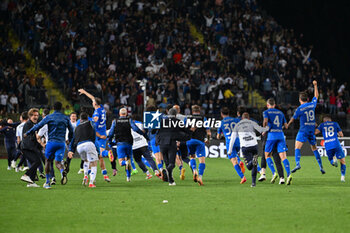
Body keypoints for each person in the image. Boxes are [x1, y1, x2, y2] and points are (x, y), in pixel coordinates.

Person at [24, 102, 74, 189]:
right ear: (61, 108)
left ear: (53, 108)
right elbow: (71, 131)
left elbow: (38, 126)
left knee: (48, 161)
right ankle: (62, 172)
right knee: (58, 162)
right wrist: (69, 141)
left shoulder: (49, 117)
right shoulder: (66, 118)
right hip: (61, 143)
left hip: (51, 142)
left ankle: (47, 182)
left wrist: (28, 132)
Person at [286, 80, 325, 174]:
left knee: (297, 147)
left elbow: (293, 118)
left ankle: (298, 163)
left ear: (300, 100)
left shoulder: (299, 109)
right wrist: (315, 85)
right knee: (314, 148)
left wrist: (288, 124)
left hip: (303, 130)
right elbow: (316, 96)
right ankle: (321, 166)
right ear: (307, 99)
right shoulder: (312, 104)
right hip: (311, 130)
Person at [228, 112, 269, 187]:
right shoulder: (252, 123)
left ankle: (253, 182)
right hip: (254, 146)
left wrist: (230, 150)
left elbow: (232, 139)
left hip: (245, 147)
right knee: (255, 165)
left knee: (249, 167)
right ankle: (253, 183)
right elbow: (261, 130)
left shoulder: (238, 125)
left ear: (242, 118)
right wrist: (266, 128)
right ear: (249, 118)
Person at [78, 89, 110, 182]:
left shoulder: (96, 112)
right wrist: (84, 92)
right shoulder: (102, 108)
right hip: (103, 133)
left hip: (97, 134)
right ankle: (105, 175)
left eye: (93, 102)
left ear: (95, 104)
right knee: (99, 156)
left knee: (93, 156)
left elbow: (94, 120)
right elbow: (93, 98)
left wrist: (87, 119)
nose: (92, 103)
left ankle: (87, 176)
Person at [154, 108, 192, 186]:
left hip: (162, 144)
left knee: (167, 162)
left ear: (168, 113)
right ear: (176, 114)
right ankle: (170, 178)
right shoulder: (177, 121)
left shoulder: (162, 121)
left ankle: (170, 180)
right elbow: (185, 131)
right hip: (172, 143)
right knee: (172, 163)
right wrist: (191, 131)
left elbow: (153, 131)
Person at [107, 108, 147, 182]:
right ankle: (128, 178)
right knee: (128, 159)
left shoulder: (115, 121)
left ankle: (125, 163)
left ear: (119, 114)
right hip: (129, 143)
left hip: (120, 143)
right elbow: (135, 129)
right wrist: (143, 134)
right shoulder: (129, 120)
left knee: (121, 162)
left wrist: (109, 141)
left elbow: (111, 133)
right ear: (126, 114)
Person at [262, 98, 292, 185]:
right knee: (283, 157)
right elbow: (286, 126)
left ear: (268, 105)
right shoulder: (281, 113)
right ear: (274, 105)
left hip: (271, 136)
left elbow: (266, 122)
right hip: (281, 136)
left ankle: (274, 173)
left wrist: (264, 128)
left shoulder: (266, 112)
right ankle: (289, 174)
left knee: (267, 155)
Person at [216, 107, 246, 184]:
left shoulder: (222, 123)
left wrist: (222, 135)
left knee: (233, 160)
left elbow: (218, 136)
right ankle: (240, 162)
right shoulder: (236, 120)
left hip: (230, 142)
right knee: (236, 155)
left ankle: (242, 177)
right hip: (238, 141)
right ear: (228, 113)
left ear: (221, 114)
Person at [68, 112, 98, 188]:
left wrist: (70, 150)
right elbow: (94, 136)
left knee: (85, 161)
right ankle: (91, 183)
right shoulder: (91, 123)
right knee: (94, 163)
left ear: (80, 119)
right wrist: (96, 148)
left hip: (79, 146)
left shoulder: (77, 127)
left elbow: (73, 140)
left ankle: (85, 176)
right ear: (87, 118)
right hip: (89, 144)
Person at [185, 105, 211, 186]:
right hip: (200, 141)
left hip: (189, 141)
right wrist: (207, 139)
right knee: (202, 160)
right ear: (199, 111)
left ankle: (194, 170)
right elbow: (209, 132)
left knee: (192, 156)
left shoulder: (188, 118)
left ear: (192, 111)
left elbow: (184, 130)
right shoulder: (204, 118)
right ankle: (200, 176)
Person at [315, 116, 346, 182]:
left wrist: (314, 126)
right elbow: (341, 135)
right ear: (330, 120)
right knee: (342, 161)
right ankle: (342, 177)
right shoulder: (335, 124)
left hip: (328, 145)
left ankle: (333, 160)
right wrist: (338, 133)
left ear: (324, 121)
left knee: (331, 160)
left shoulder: (322, 125)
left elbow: (315, 132)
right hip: (336, 143)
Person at [20, 108, 42, 187]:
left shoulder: (33, 124)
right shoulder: (28, 124)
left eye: (37, 115)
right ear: (29, 116)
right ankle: (26, 175)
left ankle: (31, 182)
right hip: (27, 148)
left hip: (29, 147)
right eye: (34, 115)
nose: (36, 117)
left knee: (35, 162)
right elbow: (27, 137)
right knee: (37, 162)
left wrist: (39, 145)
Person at [36, 108, 56, 185]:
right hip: (58, 143)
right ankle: (61, 169)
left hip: (49, 144)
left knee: (48, 162)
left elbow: (38, 136)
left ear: (43, 115)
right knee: (54, 162)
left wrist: (42, 144)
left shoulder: (44, 124)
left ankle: (50, 179)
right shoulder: (54, 122)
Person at [173, 104, 190, 180]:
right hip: (184, 139)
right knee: (183, 157)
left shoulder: (172, 118)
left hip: (175, 139)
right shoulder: (185, 118)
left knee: (176, 156)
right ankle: (191, 165)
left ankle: (181, 168)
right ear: (179, 110)